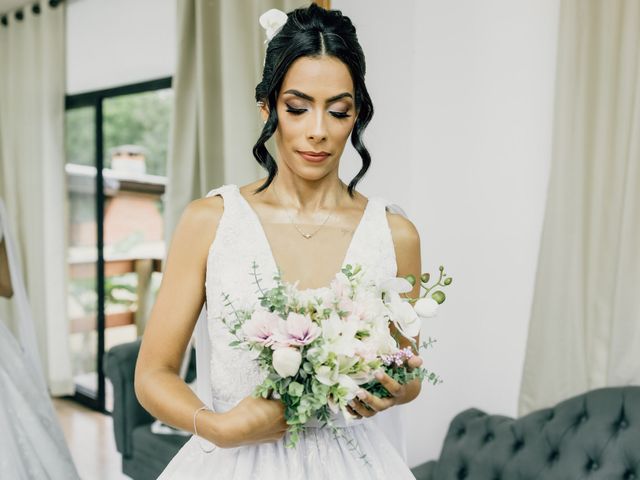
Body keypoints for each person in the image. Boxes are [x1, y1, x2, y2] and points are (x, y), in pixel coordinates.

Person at [135, 4, 424, 479]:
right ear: (268, 107)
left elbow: (408, 367)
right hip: (233, 463)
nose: (318, 130)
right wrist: (219, 428)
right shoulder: (211, 222)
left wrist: (396, 387)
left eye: (338, 111)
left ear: (357, 116)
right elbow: (152, 374)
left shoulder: (395, 235)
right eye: (297, 107)